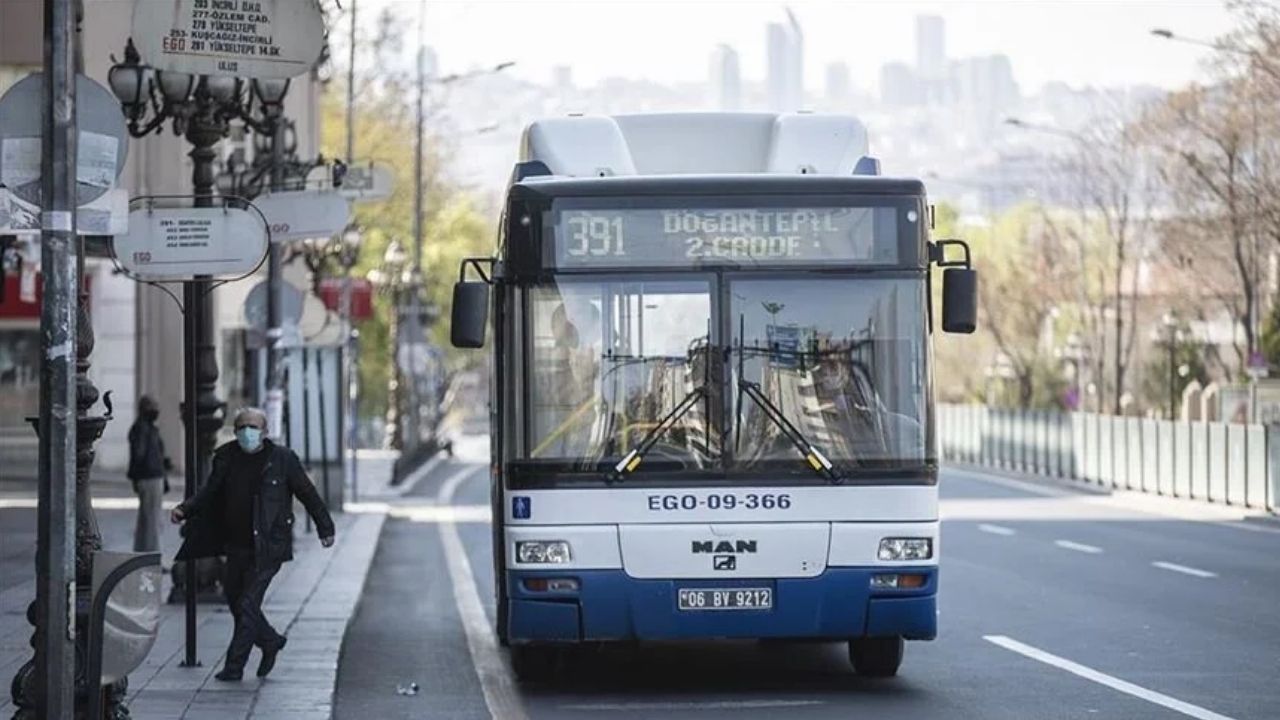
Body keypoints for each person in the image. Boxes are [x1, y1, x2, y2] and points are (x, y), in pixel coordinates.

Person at [170, 407, 336, 682]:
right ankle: (269, 641)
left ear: (265, 431)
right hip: (235, 544)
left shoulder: (282, 459)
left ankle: (234, 667)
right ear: (235, 432)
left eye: (254, 427)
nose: (248, 432)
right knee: (236, 602)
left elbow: (307, 493)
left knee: (247, 603)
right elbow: (210, 492)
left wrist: (325, 528)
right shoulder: (225, 457)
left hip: (269, 546)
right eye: (242, 427)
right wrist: (185, 509)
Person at [126, 395, 170, 552]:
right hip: (150, 477)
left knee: (147, 518)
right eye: (153, 407)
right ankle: (153, 554)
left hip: (149, 477)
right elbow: (140, 455)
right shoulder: (144, 430)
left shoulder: (144, 428)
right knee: (153, 519)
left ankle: (142, 552)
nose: (156, 411)